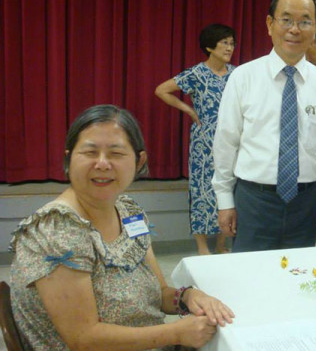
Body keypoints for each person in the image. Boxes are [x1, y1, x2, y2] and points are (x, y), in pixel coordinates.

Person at [9, 105, 234, 351]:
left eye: (116, 153)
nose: (102, 164)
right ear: (69, 158)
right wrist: (177, 333)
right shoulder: (56, 231)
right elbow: (83, 338)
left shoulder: (128, 212)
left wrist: (189, 296)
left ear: (139, 161)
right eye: (90, 152)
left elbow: (158, 293)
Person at [212, 0, 316, 252]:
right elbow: (226, 142)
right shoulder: (243, 77)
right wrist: (225, 200)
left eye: (305, 21)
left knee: (299, 279)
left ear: (315, 26)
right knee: (249, 279)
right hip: (254, 200)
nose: (295, 29)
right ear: (270, 24)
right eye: (286, 19)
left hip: (306, 203)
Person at [155, 24, 236, 255]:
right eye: (224, 43)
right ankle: (202, 246)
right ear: (210, 46)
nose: (229, 47)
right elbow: (161, 90)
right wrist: (189, 110)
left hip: (231, 140)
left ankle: (222, 243)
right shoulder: (196, 73)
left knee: (229, 187)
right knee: (201, 189)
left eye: (232, 43)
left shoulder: (236, 73)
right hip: (204, 142)